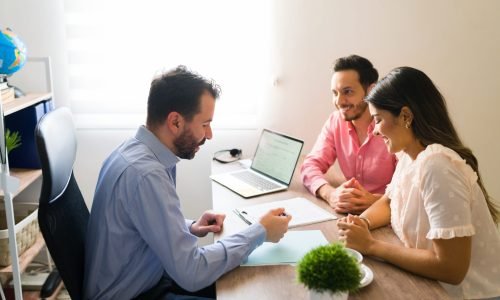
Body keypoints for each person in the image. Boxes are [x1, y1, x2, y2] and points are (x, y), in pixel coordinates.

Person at [83, 66, 292, 299]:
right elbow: (191, 272)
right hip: (135, 294)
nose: (210, 135)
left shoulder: (134, 151)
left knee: (240, 280)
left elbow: (140, 220)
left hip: (145, 277)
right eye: (205, 124)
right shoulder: (146, 175)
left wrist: (188, 227)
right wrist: (260, 232)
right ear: (175, 122)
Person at [337, 67, 500, 299]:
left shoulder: (438, 166)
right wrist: (361, 223)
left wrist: (371, 245)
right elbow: (388, 202)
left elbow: (451, 269)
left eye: (378, 120)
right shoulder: (409, 155)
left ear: (405, 116)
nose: (374, 132)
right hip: (430, 285)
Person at [301, 55, 397, 214]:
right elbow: (310, 165)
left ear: (371, 91)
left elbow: (411, 189)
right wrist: (330, 194)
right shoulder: (336, 121)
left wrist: (374, 200)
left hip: (390, 216)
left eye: (348, 92)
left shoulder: (393, 126)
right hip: (348, 214)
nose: (339, 101)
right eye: (335, 93)